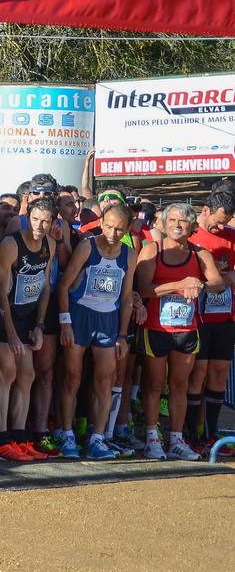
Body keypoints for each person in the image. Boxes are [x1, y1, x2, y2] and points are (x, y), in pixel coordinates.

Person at [135, 203, 224, 461]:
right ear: (163, 223)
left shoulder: (199, 253)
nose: (176, 225)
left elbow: (218, 282)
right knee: (154, 384)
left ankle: (176, 439)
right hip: (156, 328)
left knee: (180, 385)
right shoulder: (153, 250)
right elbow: (144, 288)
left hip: (186, 328)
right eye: (172, 220)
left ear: (191, 226)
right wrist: (179, 285)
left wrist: (200, 285)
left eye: (182, 221)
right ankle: (152, 438)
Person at [58, 203, 136, 460]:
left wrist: (122, 335)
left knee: (105, 379)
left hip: (108, 319)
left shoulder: (129, 254)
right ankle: (67, 434)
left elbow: (126, 297)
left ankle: (98, 437)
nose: (112, 233)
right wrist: (65, 322)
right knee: (72, 377)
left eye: (119, 229)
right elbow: (64, 285)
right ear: (101, 223)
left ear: (128, 229)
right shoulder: (87, 246)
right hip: (80, 314)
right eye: (109, 226)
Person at [0, 197, 57, 461]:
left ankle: (19, 437)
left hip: (28, 317)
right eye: (35, 219)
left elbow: (45, 286)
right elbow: (1, 291)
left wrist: (39, 325)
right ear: (28, 218)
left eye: (45, 221)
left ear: (52, 222)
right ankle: (1, 438)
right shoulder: (11, 245)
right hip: (5, 316)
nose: (39, 226)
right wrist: (12, 334)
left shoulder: (50, 244)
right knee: (6, 373)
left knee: (27, 376)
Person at [186, 191, 235, 452]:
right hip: (196, 317)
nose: (219, 228)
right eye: (216, 222)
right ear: (205, 210)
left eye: (224, 223)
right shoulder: (190, 235)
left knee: (219, 372)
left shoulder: (231, 236)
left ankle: (212, 433)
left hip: (225, 316)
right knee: (197, 373)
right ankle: (191, 433)